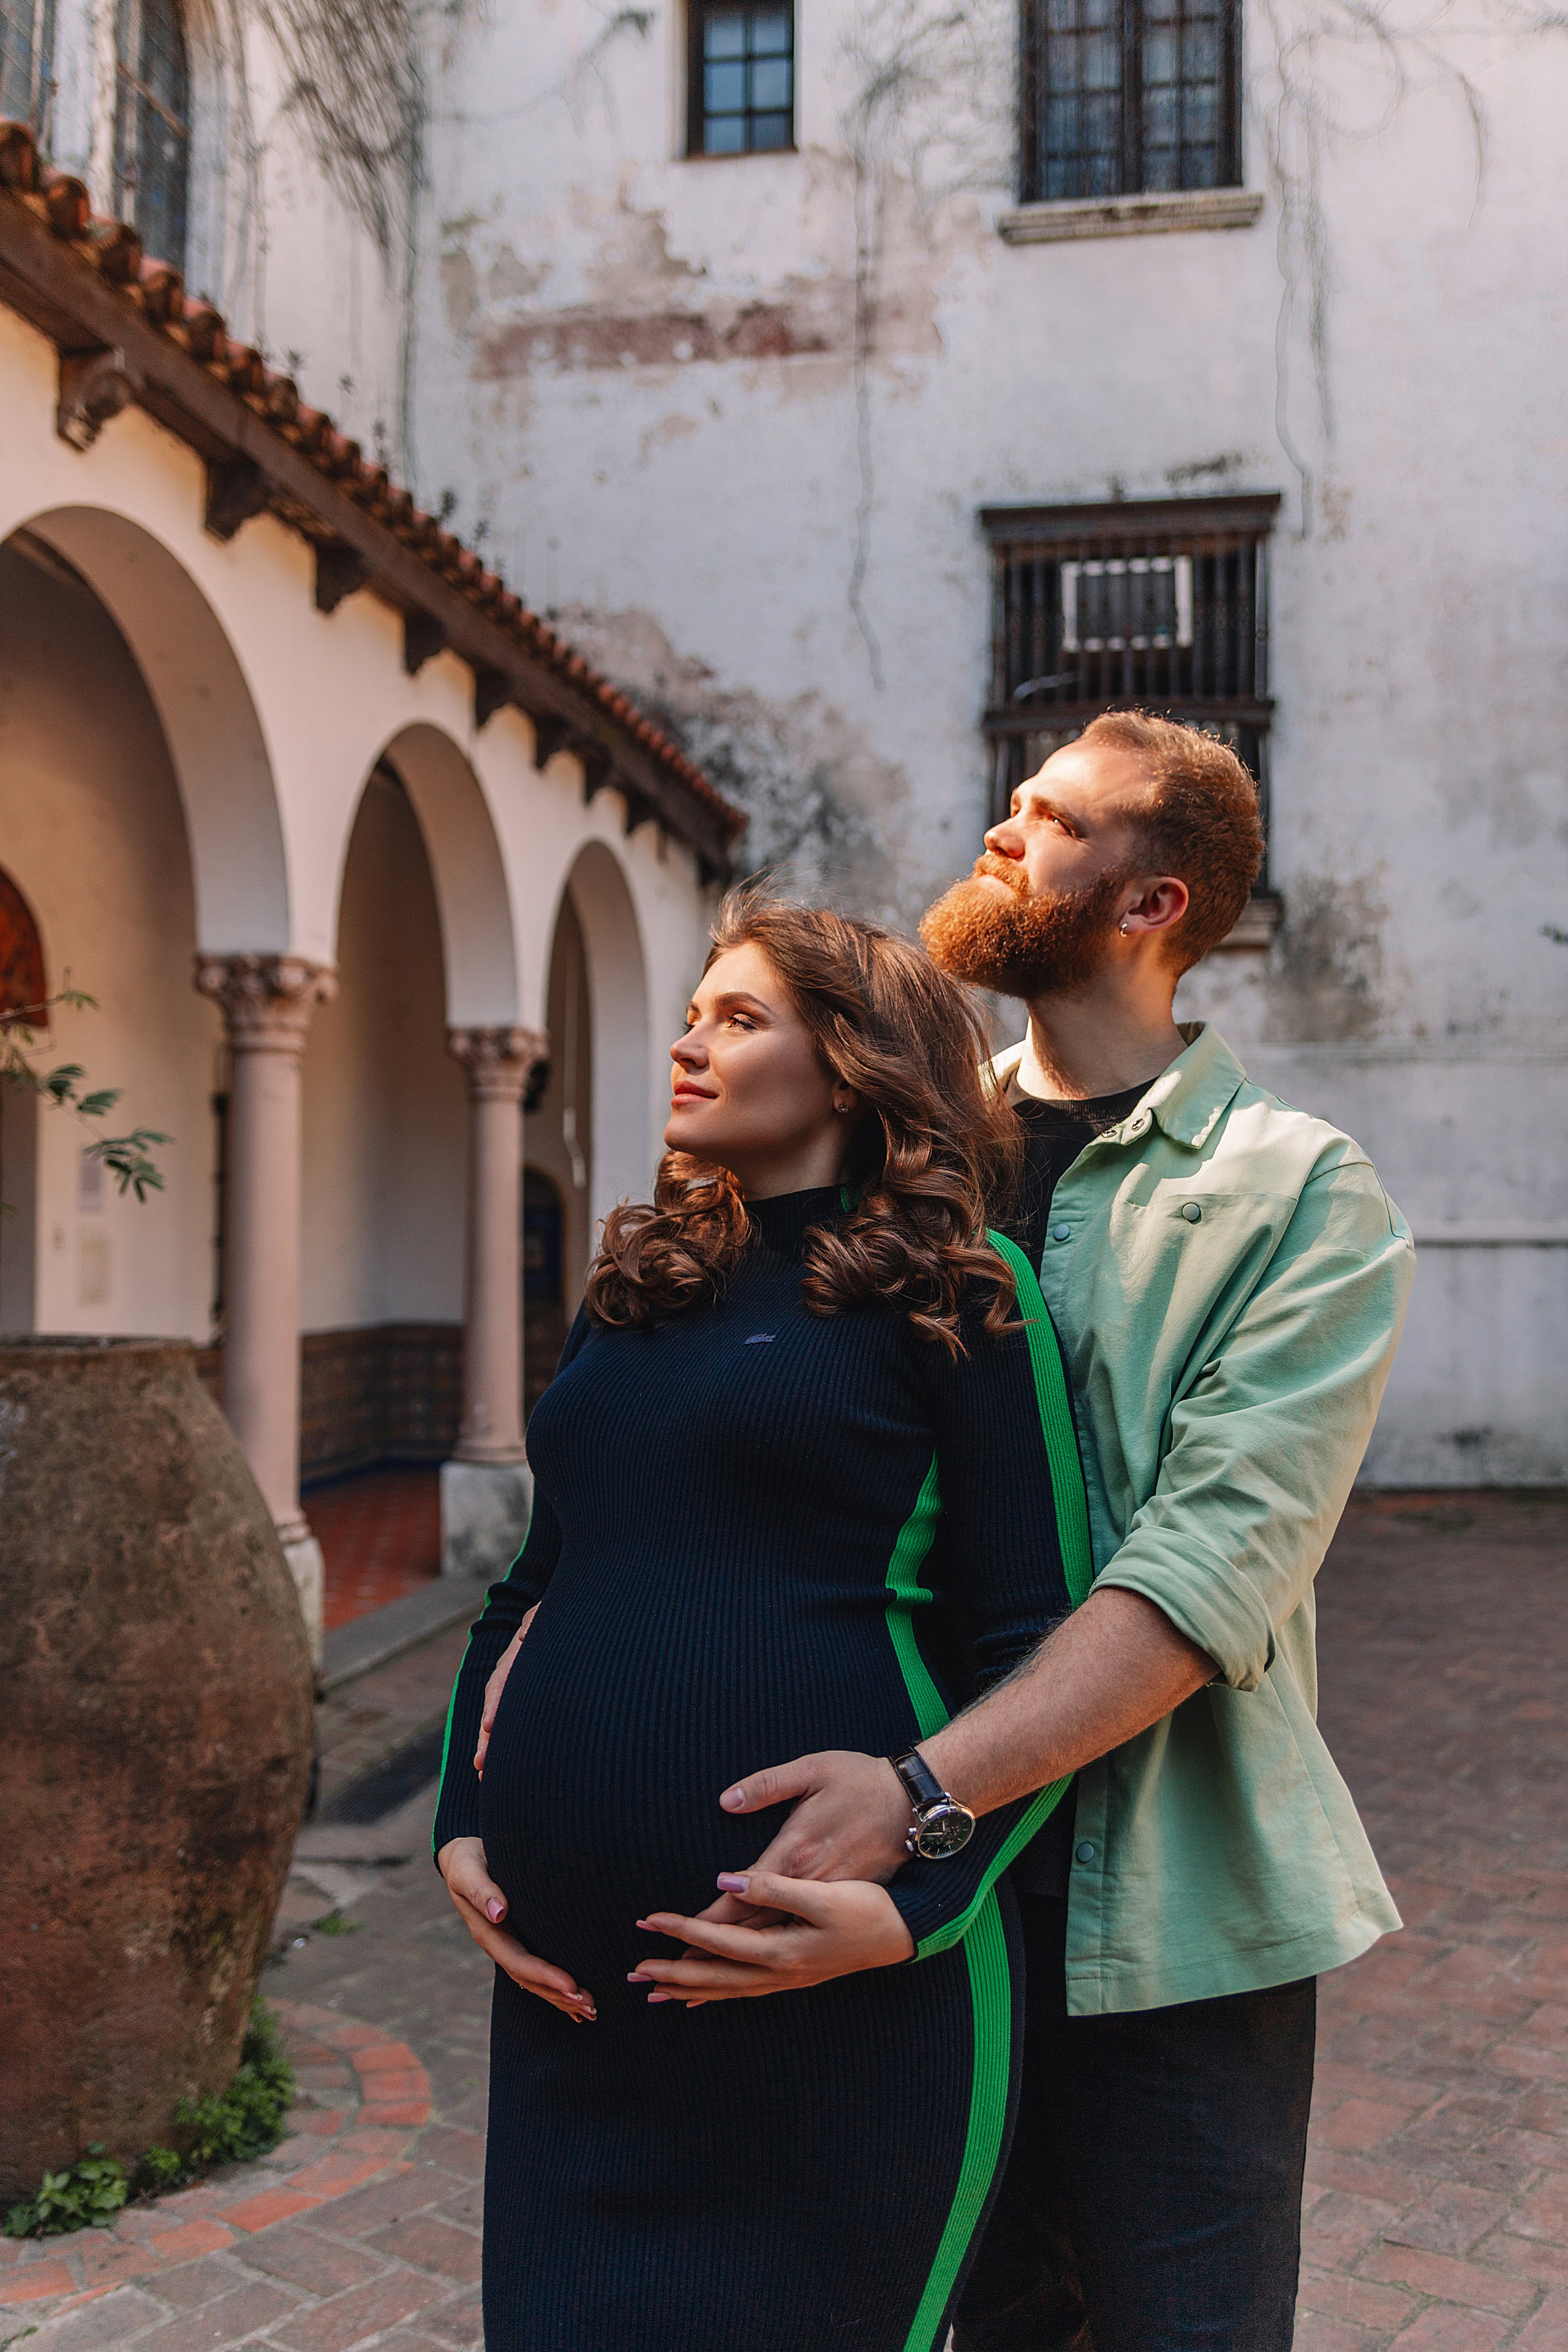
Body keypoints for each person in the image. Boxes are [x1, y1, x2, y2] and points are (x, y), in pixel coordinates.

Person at [626, 715, 1417, 2352]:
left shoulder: (1300, 1195)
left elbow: (1210, 1576)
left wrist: (923, 1795)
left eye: (1053, 818)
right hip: (910, 1922)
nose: (1000, 829)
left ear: (1152, 904)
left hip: (1171, 1925)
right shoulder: (903, 1163)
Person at [432, 893, 1095, 2352]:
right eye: (691, 1012)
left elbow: (1039, 1648)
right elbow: (534, 1584)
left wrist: (913, 1909)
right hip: (575, 2020)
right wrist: (458, 1824)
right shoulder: (634, 1293)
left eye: (738, 1019)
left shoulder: (958, 1300)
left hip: (839, 2021)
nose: (685, 1043)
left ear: (852, 1063)